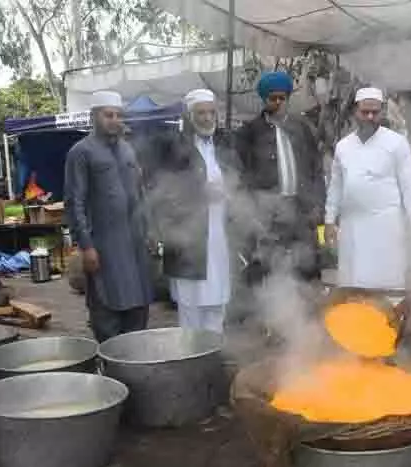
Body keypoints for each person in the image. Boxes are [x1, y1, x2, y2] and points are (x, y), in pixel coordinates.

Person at [64, 90, 153, 343]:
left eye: (118, 115)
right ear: (94, 117)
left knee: (139, 306)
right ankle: (110, 367)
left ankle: (134, 365)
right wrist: (87, 246)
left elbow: (140, 193)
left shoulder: (128, 150)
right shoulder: (80, 152)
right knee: (107, 307)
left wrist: (148, 231)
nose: (114, 120)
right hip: (104, 245)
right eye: (108, 115)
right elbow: (74, 202)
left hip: (135, 243)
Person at [148, 89, 235, 333]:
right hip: (188, 240)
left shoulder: (223, 143)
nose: (208, 118)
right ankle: (192, 357)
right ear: (188, 116)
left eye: (211, 112)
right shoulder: (172, 147)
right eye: (201, 113)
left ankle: (213, 355)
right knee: (191, 307)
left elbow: (239, 180)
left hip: (220, 237)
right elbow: (160, 190)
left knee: (218, 304)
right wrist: (199, 193)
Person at [324, 87, 411, 290]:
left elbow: (410, 186)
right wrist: (329, 221)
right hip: (351, 227)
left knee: (385, 286)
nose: (370, 117)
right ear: (355, 111)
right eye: (364, 112)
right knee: (352, 285)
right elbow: (336, 186)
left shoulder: (396, 144)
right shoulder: (343, 146)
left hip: (385, 227)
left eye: (375, 112)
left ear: (383, 112)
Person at [235, 71, 325, 286]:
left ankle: (305, 312)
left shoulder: (302, 128)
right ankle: (266, 313)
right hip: (267, 215)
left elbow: (316, 169)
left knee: (305, 265)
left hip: (301, 210)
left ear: (287, 98)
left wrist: (318, 205)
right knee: (267, 267)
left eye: (281, 98)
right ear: (264, 100)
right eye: (272, 98)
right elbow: (240, 173)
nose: (277, 103)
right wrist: (252, 212)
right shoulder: (250, 133)